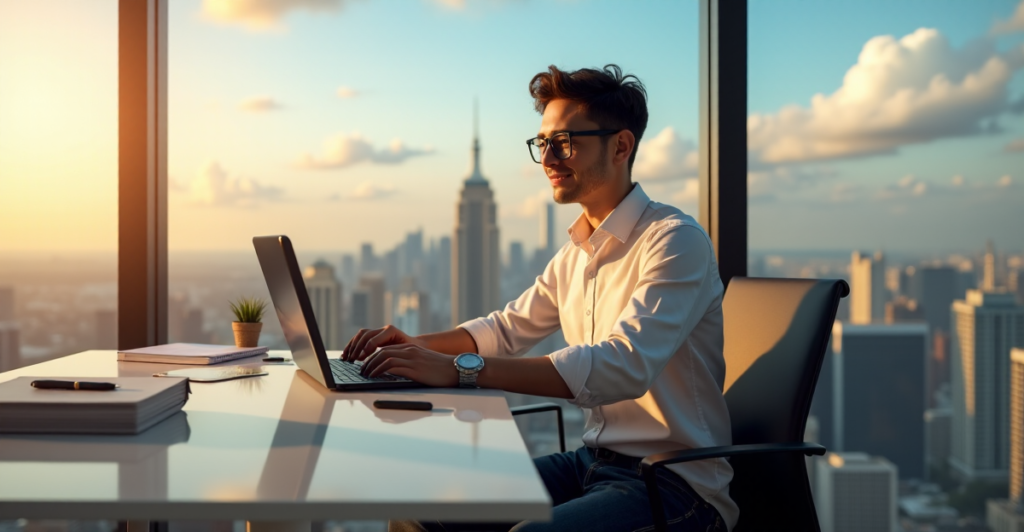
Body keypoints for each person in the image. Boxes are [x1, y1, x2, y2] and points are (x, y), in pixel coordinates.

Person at [343, 64, 736, 532]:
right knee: (424, 508)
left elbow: (624, 365)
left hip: (673, 484)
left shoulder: (674, 241)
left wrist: (459, 372)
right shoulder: (576, 253)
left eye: (565, 142)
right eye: (543, 143)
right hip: (591, 464)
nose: (548, 157)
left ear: (621, 146)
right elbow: (505, 331)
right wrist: (411, 345)